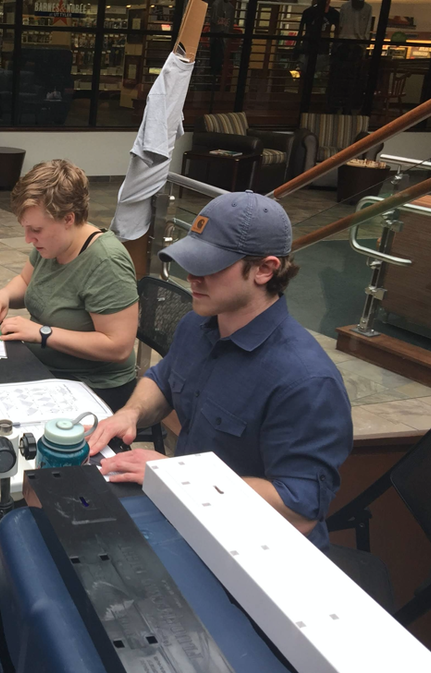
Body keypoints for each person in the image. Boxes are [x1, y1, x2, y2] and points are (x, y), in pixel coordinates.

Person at [88, 191, 352, 552]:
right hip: (189, 513)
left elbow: (300, 510)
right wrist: (129, 413)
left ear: (265, 269)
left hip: (256, 552)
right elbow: (164, 379)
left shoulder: (306, 382)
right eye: (191, 261)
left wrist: (176, 475)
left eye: (211, 265)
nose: (193, 276)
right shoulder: (198, 325)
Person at [0, 160, 139, 412]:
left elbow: (118, 346)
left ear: (68, 219)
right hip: (46, 367)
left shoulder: (106, 262)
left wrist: (42, 333)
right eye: (25, 228)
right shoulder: (53, 245)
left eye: (36, 230)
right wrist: (3, 296)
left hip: (95, 386)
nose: (28, 239)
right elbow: (25, 281)